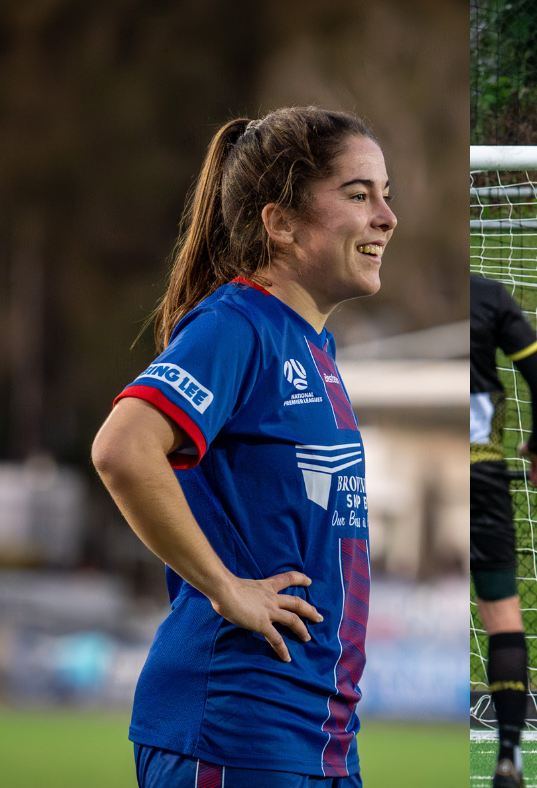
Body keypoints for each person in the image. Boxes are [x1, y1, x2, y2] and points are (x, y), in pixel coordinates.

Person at [91, 107, 396, 788]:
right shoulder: (238, 326)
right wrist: (228, 590)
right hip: (234, 734)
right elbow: (122, 448)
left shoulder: (314, 346)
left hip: (316, 742)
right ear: (280, 222)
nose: (386, 216)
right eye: (358, 194)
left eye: (385, 193)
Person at [471, 273, 537, 788]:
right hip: (481, 472)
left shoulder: (395, 284)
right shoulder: (487, 296)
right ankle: (507, 755)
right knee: (502, 618)